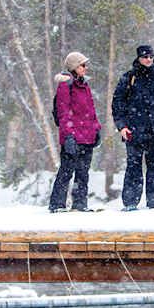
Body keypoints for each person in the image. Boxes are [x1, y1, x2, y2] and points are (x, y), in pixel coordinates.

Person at [112, 44, 154, 211]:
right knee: (133, 168)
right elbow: (117, 104)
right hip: (133, 132)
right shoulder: (129, 77)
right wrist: (121, 127)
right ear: (139, 58)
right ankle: (130, 203)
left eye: (150, 56)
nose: (148, 59)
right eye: (145, 56)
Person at [49, 52, 102, 212]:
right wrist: (68, 136)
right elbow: (63, 113)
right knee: (66, 171)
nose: (85, 68)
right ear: (74, 67)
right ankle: (57, 204)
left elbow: (90, 111)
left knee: (83, 172)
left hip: (87, 136)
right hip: (72, 137)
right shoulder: (66, 85)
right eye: (82, 65)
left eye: (85, 65)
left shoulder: (84, 85)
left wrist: (96, 129)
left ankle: (80, 204)